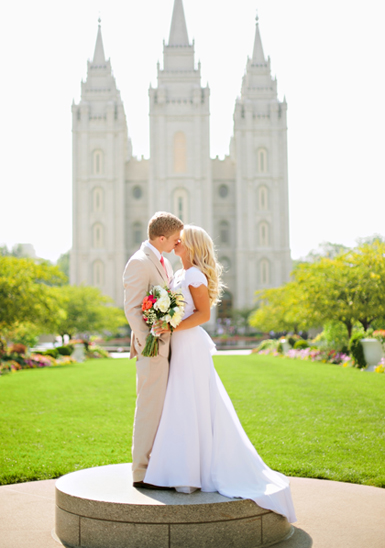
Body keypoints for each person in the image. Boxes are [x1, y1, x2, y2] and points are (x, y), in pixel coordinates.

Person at [143, 225, 297, 522]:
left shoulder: (195, 275)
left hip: (190, 346)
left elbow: (203, 314)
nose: (176, 242)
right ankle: (183, 470)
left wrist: (170, 326)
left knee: (191, 403)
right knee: (182, 404)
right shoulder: (179, 274)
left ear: (192, 246)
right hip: (180, 343)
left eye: (181, 240)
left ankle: (193, 473)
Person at [122, 211, 183, 488]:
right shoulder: (139, 262)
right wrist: (150, 341)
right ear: (161, 238)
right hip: (152, 349)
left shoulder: (164, 262)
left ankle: (158, 465)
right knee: (149, 408)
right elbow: (132, 309)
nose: (177, 243)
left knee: (162, 410)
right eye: (174, 239)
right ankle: (141, 472)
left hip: (168, 348)